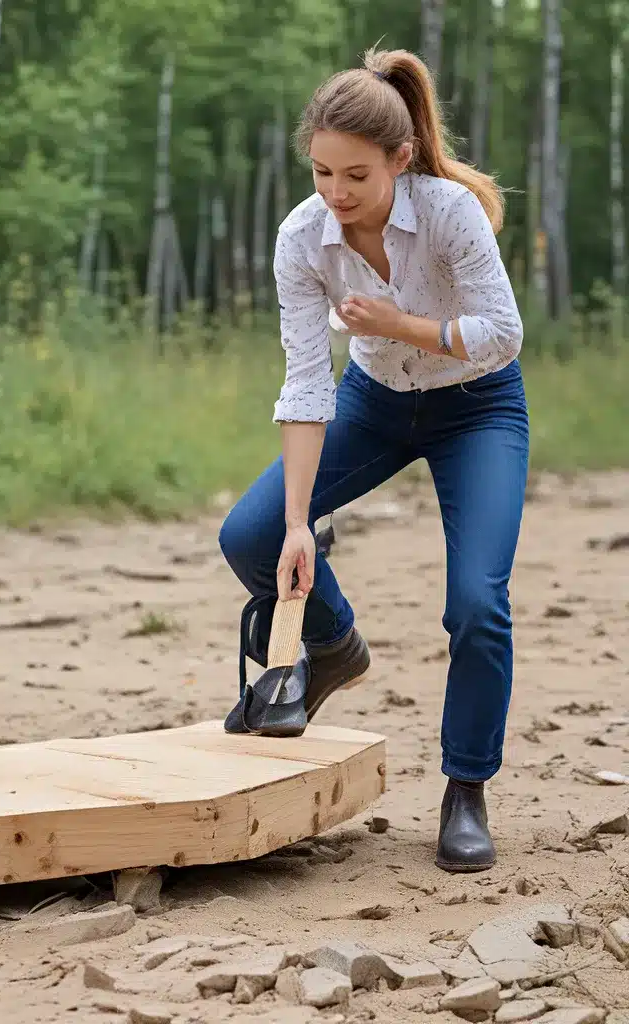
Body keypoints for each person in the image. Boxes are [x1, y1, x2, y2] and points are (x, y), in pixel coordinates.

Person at [217, 46, 529, 874]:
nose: (335, 193)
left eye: (355, 174)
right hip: (375, 404)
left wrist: (399, 325)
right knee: (250, 537)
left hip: (479, 407)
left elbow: (503, 334)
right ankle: (334, 648)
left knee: (477, 605)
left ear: (399, 158)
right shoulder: (302, 239)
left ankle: (466, 789)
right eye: (321, 171)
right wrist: (297, 524)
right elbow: (305, 378)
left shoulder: (451, 212)